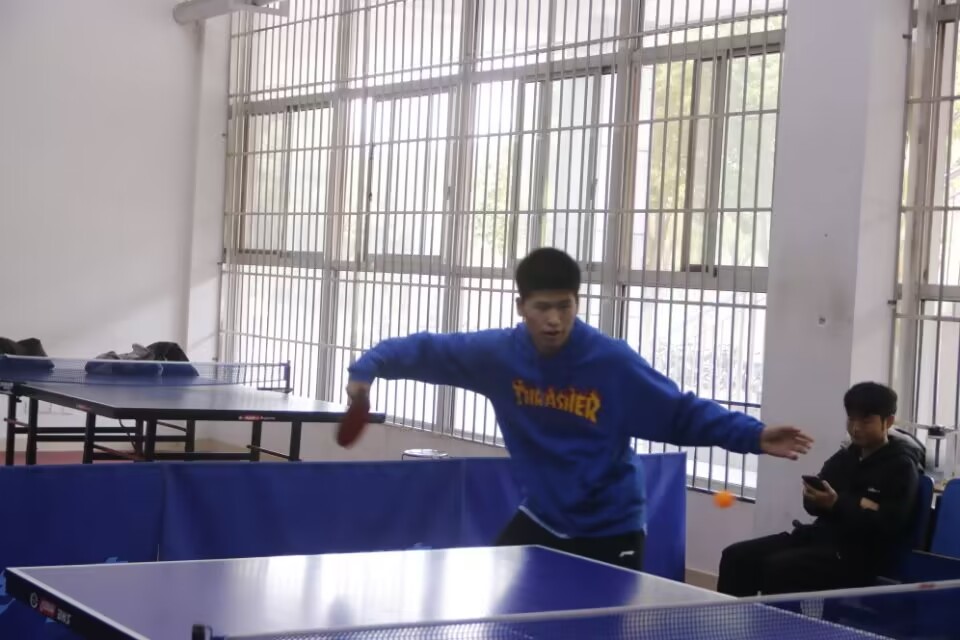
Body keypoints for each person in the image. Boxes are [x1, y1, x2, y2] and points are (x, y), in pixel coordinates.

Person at [346, 247, 813, 570]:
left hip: (611, 528)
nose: (554, 320)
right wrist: (368, 369)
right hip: (543, 517)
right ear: (521, 306)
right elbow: (427, 350)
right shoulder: (497, 357)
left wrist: (752, 435)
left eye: (564, 307)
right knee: (507, 618)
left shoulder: (610, 363)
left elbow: (678, 412)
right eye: (542, 308)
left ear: (577, 303)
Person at [716, 382, 923, 596]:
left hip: (858, 555)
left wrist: (837, 503)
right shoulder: (844, 457)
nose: (856, 428)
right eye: (851, 419)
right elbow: (815, 505)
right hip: (818, 540)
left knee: (778, 567)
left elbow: (889, 524)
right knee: (736, 556)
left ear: (888, 422)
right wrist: (827, 500)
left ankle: (775, 619)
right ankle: (733, 617)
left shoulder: (901, 466)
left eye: (866, 421)